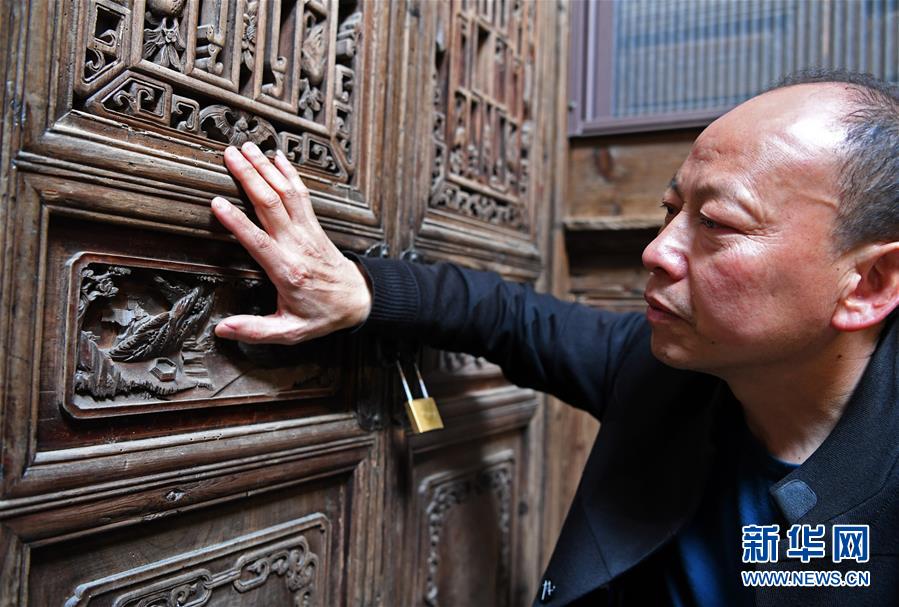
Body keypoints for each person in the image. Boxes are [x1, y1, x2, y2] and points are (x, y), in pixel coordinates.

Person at [209, 69, 899, 606]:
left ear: (866, 283)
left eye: (716, 223)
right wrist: (359, 290)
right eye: (670, 211)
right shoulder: (663, 369)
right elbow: (510, 317)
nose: (657, 250)